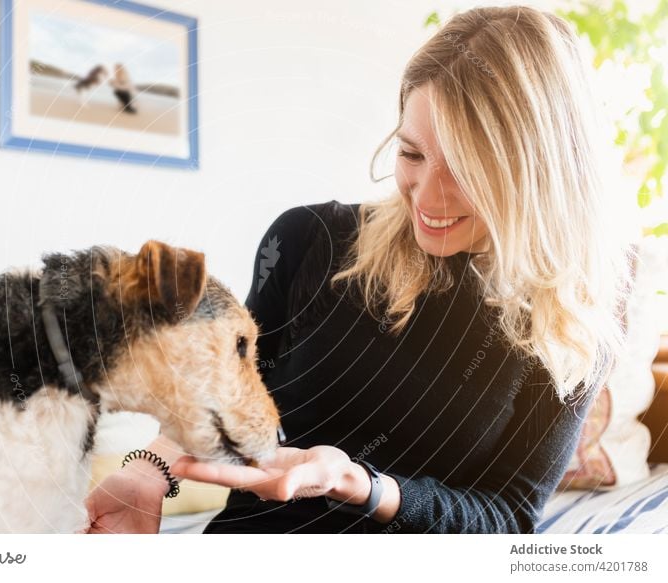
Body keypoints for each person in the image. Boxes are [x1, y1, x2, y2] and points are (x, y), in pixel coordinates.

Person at [82, 5, 634, 534]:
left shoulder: (578, 312)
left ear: (546, 169)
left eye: (469, 170)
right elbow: (225, 395)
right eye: (412, 155)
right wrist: (143, 473)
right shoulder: (309, 242)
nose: (430, 198)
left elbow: (509, 517)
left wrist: (361, 484)